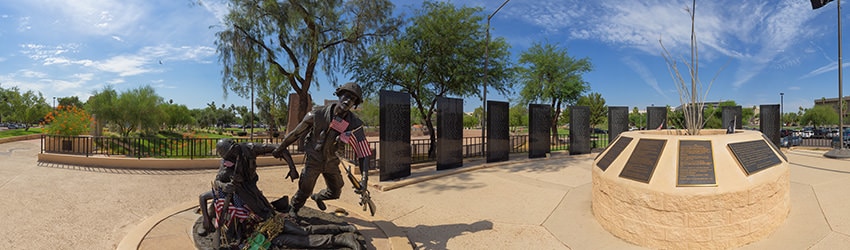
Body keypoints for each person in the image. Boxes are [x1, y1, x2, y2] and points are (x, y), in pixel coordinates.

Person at [273, 82, 371, 217]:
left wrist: (364, 179)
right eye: (347, 96)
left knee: (336, 191)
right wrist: (281, 148)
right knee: (304, 190)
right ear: (339, 95)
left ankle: (318, 197)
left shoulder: (354, 123)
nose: (349, 101)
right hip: (314, 159)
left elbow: (363, 152)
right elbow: (296, 133)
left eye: (353, 99)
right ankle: (293, 210)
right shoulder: (317, 114)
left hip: (332, 162)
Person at [197, 139, 278, 242]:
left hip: (243, 190)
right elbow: (217, 180)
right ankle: (206, 222)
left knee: (248, 208)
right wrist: (224, 185)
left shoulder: (244, 154)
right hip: (226, 190)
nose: (233, 153)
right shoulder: (226, 162)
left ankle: (233, 233)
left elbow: (268, 148)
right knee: (206, 199)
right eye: (230, 153)